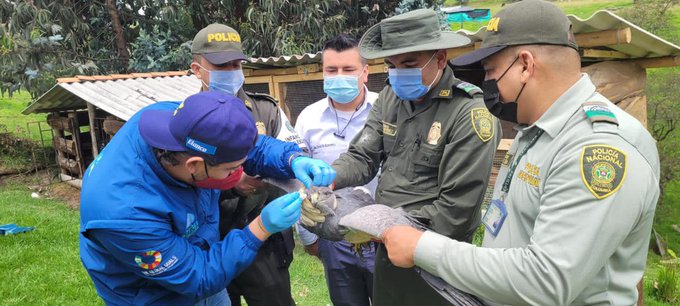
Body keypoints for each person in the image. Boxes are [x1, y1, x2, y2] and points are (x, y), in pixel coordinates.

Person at [381, 1, 660, 305]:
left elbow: (545, 281)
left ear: (525, 66)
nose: (487, 84)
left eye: (491, 71)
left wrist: (422, 246)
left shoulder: (597, 147)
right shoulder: (538, 130)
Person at [79, 91, 336, 305]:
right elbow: (198, 277)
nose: (239, 173)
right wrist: (261, 227)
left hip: (203, 264)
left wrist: (292, 159)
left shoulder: (177, 121)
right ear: (194, 165)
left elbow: (248, 146)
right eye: (231, 170)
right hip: (153, 294)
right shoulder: (124, 213)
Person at [328, 9, 501, 306]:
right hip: (387, 250)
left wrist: (385, 230)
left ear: (441, 58)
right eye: (391, 65)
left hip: (437, 262)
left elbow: (455, 212)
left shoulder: (469, 113)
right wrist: (330, 175)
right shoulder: (391, 97)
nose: (398, 73)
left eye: (409, 63)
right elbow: (363, 155)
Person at [189, 23, 305, 306]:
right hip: (211, 241)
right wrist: (230, 184)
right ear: (197, 69)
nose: (231, 72)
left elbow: (289, 162)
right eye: (221, 65)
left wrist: (298, 161)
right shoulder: (185, 118)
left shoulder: (265, 109)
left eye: (236, 64)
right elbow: (183, 179)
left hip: (265, 240)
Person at [295, 34, 379, 306]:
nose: (338, 76)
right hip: (334, 236)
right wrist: (309, 236)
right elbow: (298, 183)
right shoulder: (308, 118)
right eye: (331, 70)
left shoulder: (386, 111)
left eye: (348, 69)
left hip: (382, 234)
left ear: (365, 72)